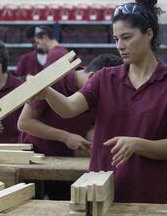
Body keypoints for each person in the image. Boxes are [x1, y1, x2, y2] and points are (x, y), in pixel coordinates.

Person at [31, 0, 167, 204]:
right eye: (116, 39)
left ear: (149, 34)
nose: (120, 46)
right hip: (103, 189)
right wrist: (47, 92)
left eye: (127, 37)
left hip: (151, 193)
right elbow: (69, 108)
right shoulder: (104, 77)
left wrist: (136, 144)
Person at [17, 54, 123, 200]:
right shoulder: (53, 81)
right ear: (93, 77)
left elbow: (91, 126)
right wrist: (65, 137)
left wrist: (96, 144)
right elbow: (24, 123)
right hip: (36, 157)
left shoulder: (102, 92)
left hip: (64, 159)